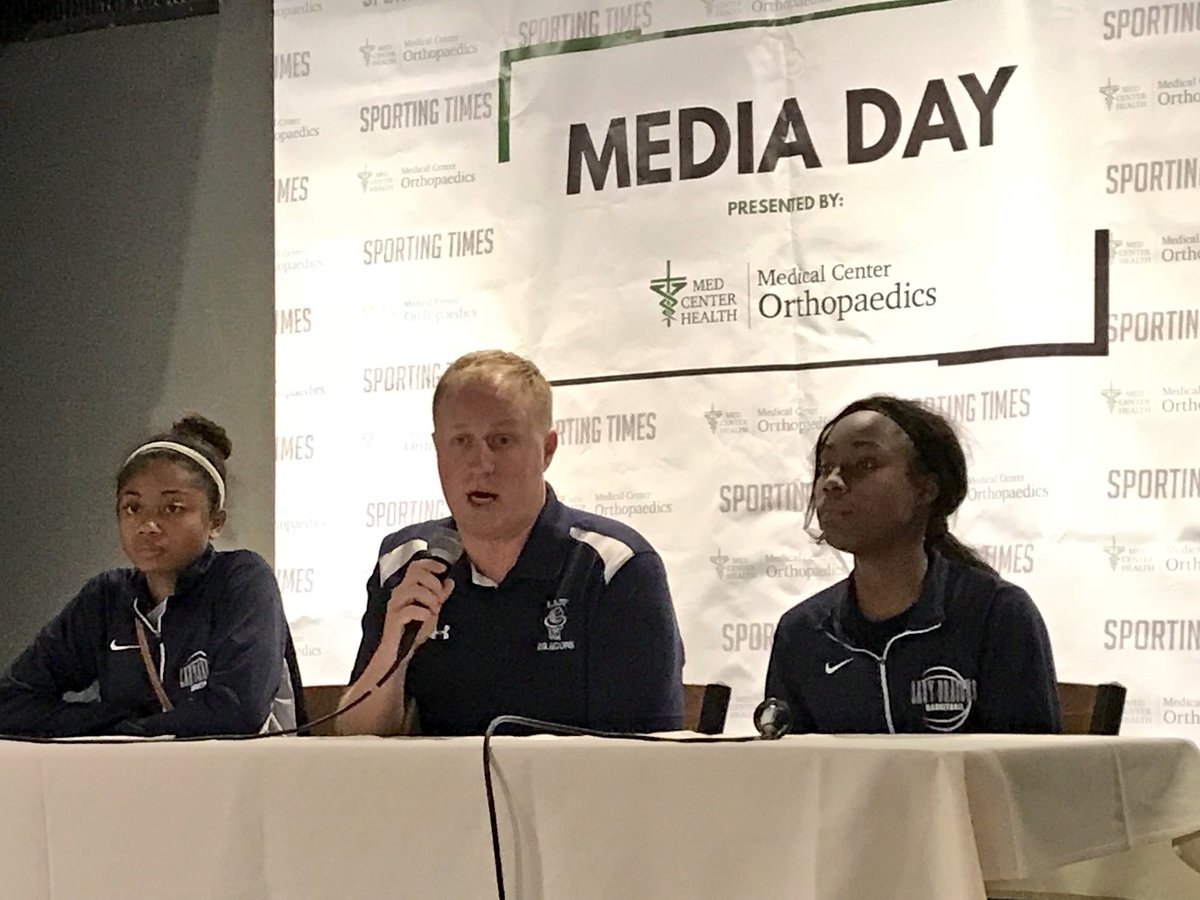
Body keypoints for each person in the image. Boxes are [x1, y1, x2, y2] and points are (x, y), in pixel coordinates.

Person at [338, 350, 684, 736]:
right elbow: (355, 743)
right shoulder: (404, 562)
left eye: (501, 440)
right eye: (461, 441)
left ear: (547, 450)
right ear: (438, 449)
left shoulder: (613, 567)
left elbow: (646, 757)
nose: (481, 463)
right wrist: (394, 652)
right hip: (437, 795)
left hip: (574, 794)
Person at [764, 395, 1061, 734]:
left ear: (926, 489)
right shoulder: (801, 633)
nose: (832, 482)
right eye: (824, 467)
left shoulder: (998, 615)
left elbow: (1033, 773)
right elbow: (788, 774)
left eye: (865, 464)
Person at [0, 415, 302, 737]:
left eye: (172, 508)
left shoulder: (241, 579)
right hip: (137, 780)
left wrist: (131, 730)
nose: (148, 525)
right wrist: (115, 722)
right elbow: (9, 703)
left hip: (245, 779)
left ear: (215, 522)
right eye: (132, 508)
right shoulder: (106, 598)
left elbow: (238, 711)